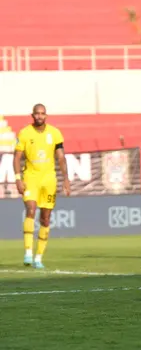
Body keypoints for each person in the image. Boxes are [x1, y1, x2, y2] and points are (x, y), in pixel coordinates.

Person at [13, 103, 71, 269]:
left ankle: (39, 257)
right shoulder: (24, 133)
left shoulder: (54, 133)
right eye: (37, 113)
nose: (39, 116)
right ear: (32, 115)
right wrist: (18, 178)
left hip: (49, 179)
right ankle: (28, 253)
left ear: (46, 115)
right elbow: (17, 157)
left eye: (42, 113)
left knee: (45, 217)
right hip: (30, 177)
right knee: (30, 209)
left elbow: (61, 158)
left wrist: (66, 178)